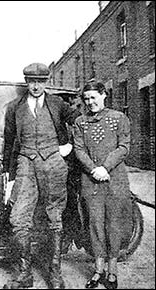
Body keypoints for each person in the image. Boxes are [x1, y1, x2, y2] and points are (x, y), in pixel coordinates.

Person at [2, 63, 80, 289]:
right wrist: (8, 173)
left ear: (46, 82)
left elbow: (79, 122)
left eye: (41, 82)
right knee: (18, 218)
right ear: (27, 82)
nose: (36, 86)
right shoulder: (14, 107)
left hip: (54, 163)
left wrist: (69, 146)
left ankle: (55, 274)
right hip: (25, 162)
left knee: (54, 216)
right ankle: (24, 275)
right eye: (32, 81)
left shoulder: (57, 104)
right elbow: (9, 141)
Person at [73, 81, 132, 289]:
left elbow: (124, 147)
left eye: (93, 97)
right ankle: (98, 270)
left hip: (115, 180)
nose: (90, 102)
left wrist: (105, 167)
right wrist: (93, 170)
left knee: (113, 224)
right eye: (86, 99)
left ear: (103, 95)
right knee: (94, 224)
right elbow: (79, 150)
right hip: (91, 181)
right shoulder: (80, 122)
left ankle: (112, 271)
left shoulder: (119, 119)